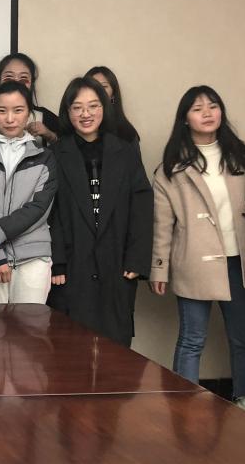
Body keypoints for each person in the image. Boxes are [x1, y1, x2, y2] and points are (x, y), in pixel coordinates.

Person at [149, 86, 245, 417]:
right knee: (192, 338)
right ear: (185, 118)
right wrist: (159, 268)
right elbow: (162, 224)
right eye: (198, 108)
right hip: (193, 262)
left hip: (238, 262)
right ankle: (184, 407)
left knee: (243, 337)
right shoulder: (171, 168)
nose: (207, 113)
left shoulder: (244, 158)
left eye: (213, 106)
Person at [49, 77, 152, 347]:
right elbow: (51, 212)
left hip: (116, 262)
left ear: (105, 108)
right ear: (67, 112)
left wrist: (137, 260)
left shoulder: (125, 151)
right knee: (70, 346)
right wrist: (57, 261)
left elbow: (141, 206)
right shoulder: (55, 154)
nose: (86, 114)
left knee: (116, 347)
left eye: (93, 106)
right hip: (72, 264)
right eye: (77, 107)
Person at [0, 81, 57, 304]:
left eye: (18, 110)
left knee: (29, 324)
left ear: (29, 114)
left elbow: (38, 208)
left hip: (32, 257)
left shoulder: (45, 157)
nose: (9, 118)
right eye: (1, 111)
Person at [0, 53, 60, 146]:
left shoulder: (44, 116)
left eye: (23, 80)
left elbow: (65, 146)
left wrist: (50, 135)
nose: (16, 84)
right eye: (8, 78)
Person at [85, 66, 139, 143]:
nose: (98, 91)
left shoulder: (126, 133)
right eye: (92, 87)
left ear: (113, 94)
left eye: (103, 86)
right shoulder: (77, 124)